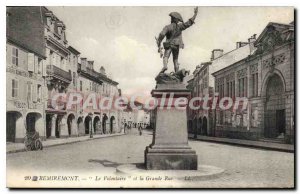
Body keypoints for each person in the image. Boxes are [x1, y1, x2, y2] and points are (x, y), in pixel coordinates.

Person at [156, 7, 198, 73]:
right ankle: (177, 73)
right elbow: (189, 23)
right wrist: (195, 14)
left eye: (171, 18)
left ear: (172, 19)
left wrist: (159, 41)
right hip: (176, 45)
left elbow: (162, 34)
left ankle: (165, 66)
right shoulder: (180, 26)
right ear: (177, 20)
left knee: (166, 56)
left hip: (169, 44)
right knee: (175, 60)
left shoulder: (167, 27)